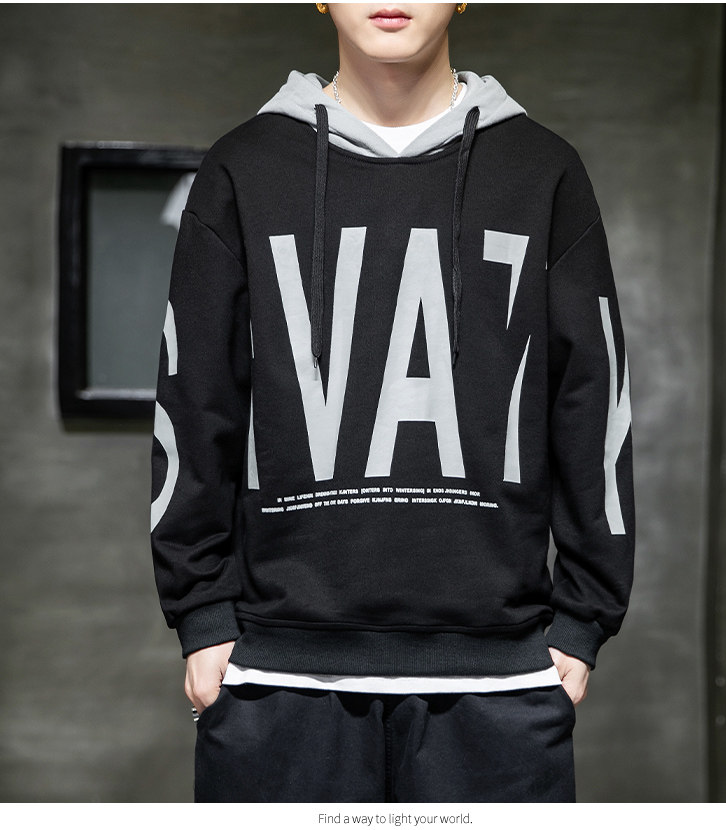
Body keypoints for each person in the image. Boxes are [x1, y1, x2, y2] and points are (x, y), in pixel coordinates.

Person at [150, 3, 634, 803]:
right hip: (278, 677)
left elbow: (593, 400)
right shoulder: (244, 168)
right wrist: (202, 614)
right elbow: (194, 400)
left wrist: (581, 622)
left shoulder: (542, 172)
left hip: (498, 681)